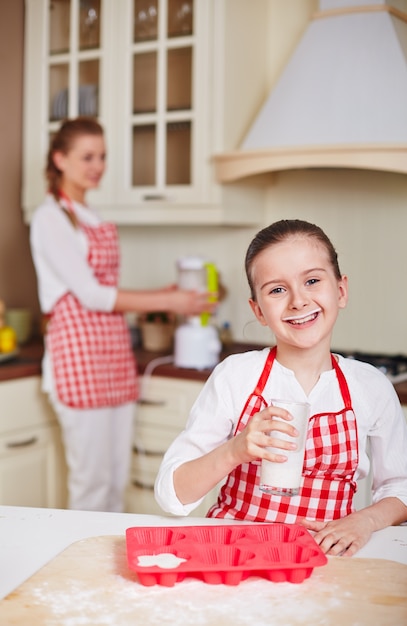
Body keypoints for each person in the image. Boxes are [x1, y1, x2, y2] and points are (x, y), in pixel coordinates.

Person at [155, 219, 407, 556]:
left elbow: (400, 487)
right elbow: (172, 494)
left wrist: (366, 521)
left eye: (313, 281)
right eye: (277, 289)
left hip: (326, 562)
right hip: (235, 559)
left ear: (341, 290)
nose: (298, 301)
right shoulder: (237, 376)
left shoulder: (370, 387)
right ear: (258, 310)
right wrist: (235, 450)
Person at [30, 116, 215, 513]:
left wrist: (163, 294)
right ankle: (78, 570)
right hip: (77, 358)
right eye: (87, 157)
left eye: (102, 156)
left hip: (112, 354)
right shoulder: (50, 218)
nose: (97, 165)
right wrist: (170, 302)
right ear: (60, 159)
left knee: (114, 483)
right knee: (90, 485)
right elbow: (92, 295)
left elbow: (105, 290)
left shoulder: (90, 216)